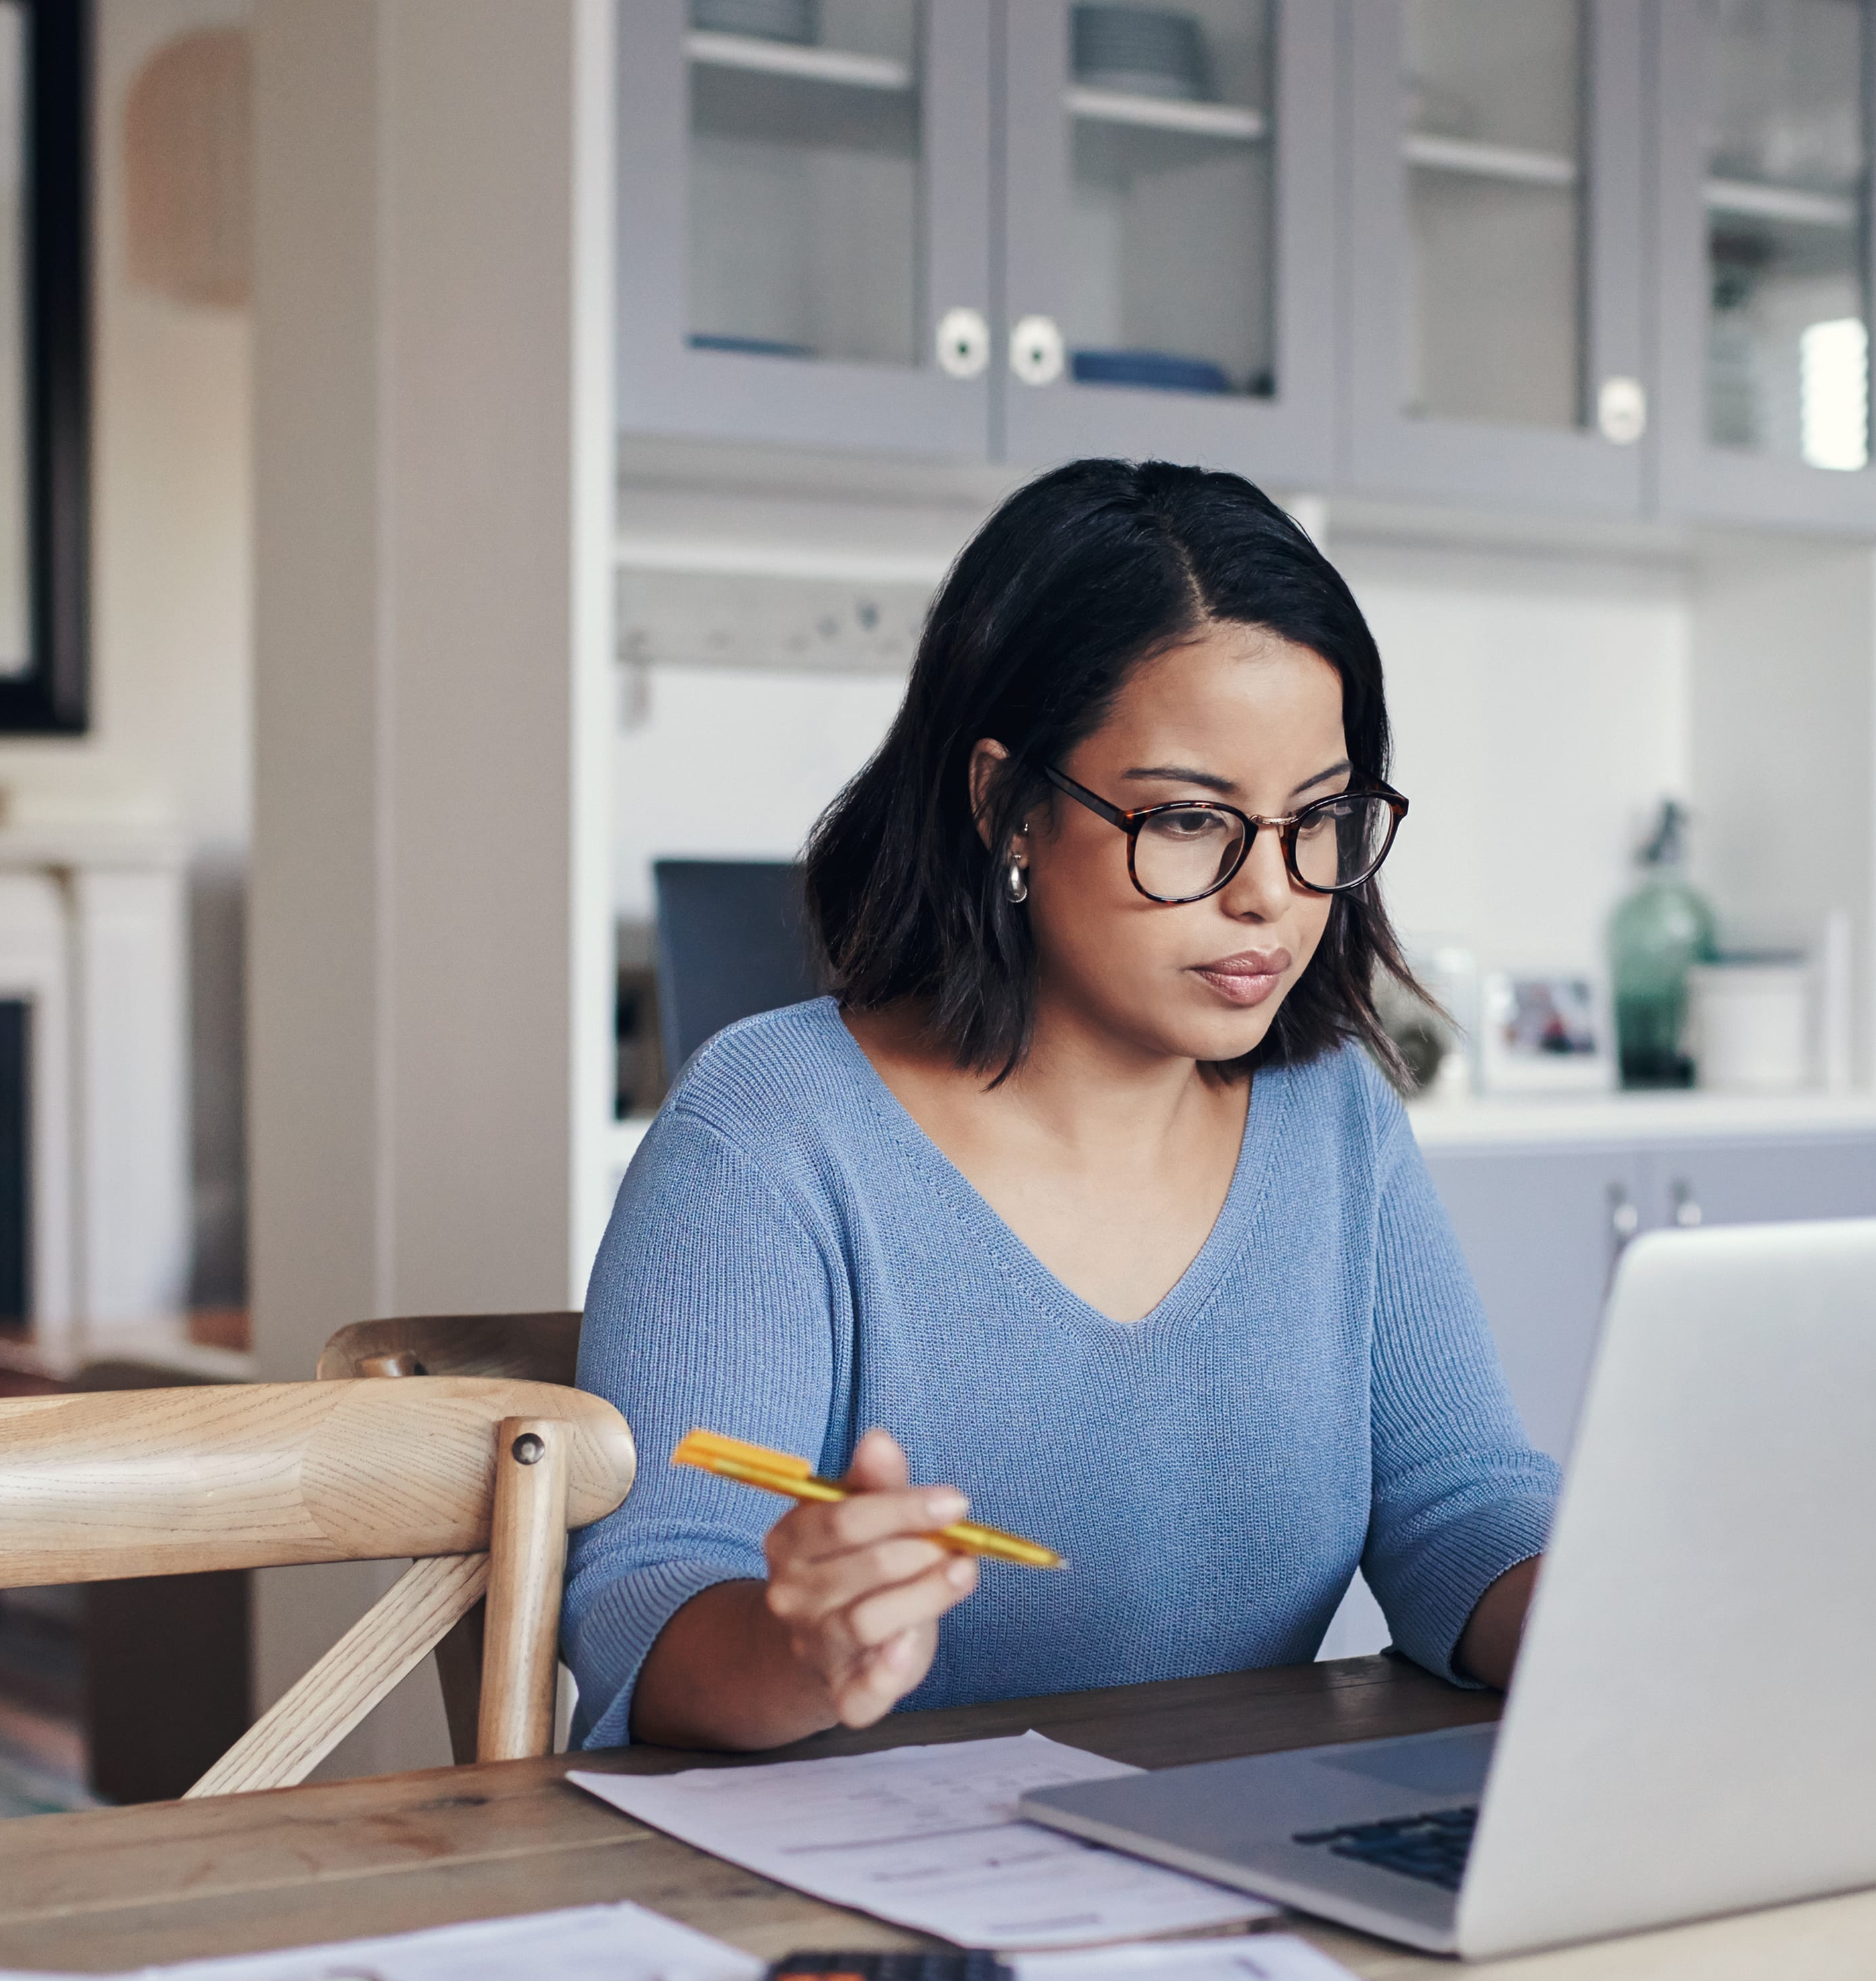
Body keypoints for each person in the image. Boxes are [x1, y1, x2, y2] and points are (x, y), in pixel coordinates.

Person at [564, 459, 1558, 1752]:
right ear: (1007, 805)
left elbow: (1455, 1507)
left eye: (1318, 818)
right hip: (850, 1906)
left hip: (1222, 1867)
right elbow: (648, 1608)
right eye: (1192, 819)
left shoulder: (1335, 1119)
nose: (1270, 893)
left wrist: (1630, 1616)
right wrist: (799, 1646)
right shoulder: (773, 1130)